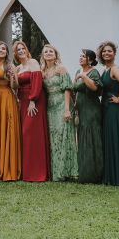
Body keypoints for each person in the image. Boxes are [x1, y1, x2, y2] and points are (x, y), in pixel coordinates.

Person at [13, 40, 49, 182]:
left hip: (34, 100)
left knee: (30, 133)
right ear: (15, 53)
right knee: (25, 135)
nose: (21, 51)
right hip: (22, 101)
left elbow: (37, 81)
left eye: (23, 48)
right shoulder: (17, 68)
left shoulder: (33, 62)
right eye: (18, 50)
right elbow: (15, 86)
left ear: (27, 50)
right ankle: (27, 172)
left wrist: (33, 100)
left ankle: (37, 173)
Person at [41, 44, 78, 181]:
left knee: (64, 136)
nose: (49, 53)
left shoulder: (61, 68)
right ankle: (57, 172)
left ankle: (68, 171)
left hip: (63, 104)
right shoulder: (42, 71)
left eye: (51, 51)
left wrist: (67, 109)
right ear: (43, 55)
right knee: (54, 137)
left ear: (56, 55)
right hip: (50, 105)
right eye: (46, 52)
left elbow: (67, 88)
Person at [98, 40, 119, 186]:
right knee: (110, 139)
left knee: (117, 139)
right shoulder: (105, 70)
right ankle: (112, 175)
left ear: (114, 53)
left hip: (114, 109)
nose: (107, 53)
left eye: (109, 51)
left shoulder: (114, 69)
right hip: (106, 108)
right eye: (104, 51)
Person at [0, 41, 21, 181]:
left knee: (8, 130)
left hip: (7, 98)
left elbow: (15, 86)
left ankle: (9, 169)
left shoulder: (9, 65)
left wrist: (13, 78)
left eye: (3, 49)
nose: (1, 50)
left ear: (7, 52)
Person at [73, 49, 103, 184]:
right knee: (82, 140)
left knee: (92, 139)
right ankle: (84, 172)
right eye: (79, 56)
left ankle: (95, 174)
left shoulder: (93, 72)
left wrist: (84, 77)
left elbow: (95, 88)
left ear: (90, 60)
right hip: (82, 109)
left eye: (83, 56)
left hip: (92, 109)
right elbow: (76, 90)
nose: (80, 58)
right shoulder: (77, 72)